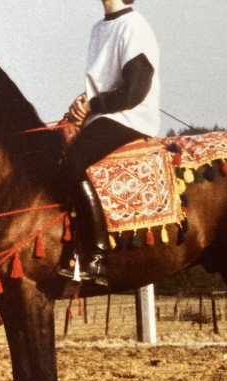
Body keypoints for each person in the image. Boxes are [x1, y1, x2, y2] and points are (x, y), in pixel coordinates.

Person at [60, 0, 160, 285]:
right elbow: (103, 84)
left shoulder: (134, 26)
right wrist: (83, 103)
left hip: (130, 118)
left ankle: (97, 256)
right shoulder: (98, 28)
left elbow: (135, 92)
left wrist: (93, 105)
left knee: (73, 163)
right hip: (103, 116)